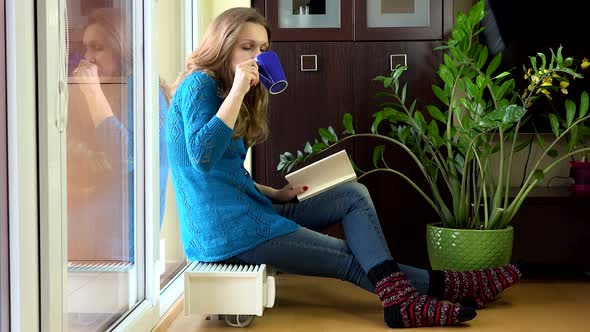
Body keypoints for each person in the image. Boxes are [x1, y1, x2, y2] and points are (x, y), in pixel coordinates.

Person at [167, 7, 521, 328]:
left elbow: (226, 174)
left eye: (263, 48)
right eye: (247, 47)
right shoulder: (201, 84)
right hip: (226, 233)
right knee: (347, 257)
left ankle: (422, 294)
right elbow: (202, 157)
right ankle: (439, 290)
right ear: (222, 44)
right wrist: (239, 91)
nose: (258, 57)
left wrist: (276, 192)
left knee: (353, 194)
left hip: (249, 213)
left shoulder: (229, 91)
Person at [67, 7, 169, 261]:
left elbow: (128, 157)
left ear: (121, 47)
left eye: (98, 47)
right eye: (86, 48)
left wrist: (92, 94)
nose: (88, 58)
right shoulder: (111, 91)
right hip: (87, 240)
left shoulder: (141, 90)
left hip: (120, 247)